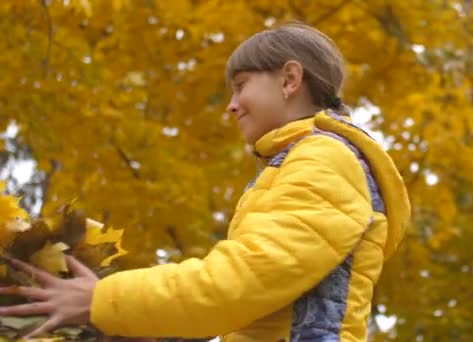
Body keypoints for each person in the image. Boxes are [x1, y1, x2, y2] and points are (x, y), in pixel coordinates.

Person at [0, 23, 410, 341]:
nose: (231, 106)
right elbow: (255, 314)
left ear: (289, 80)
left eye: (241, 86)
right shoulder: (297, 164)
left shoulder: (325, 159)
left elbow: (240, 283)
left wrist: (102, 300)